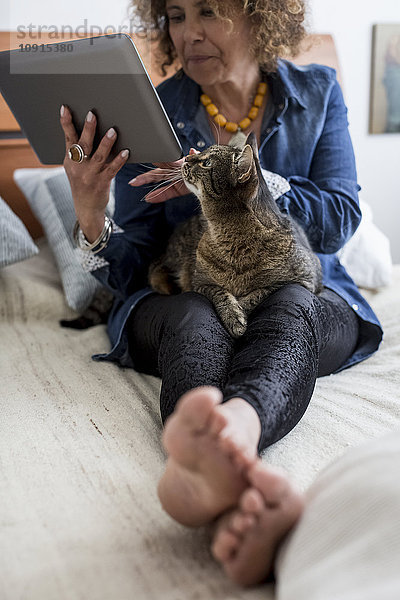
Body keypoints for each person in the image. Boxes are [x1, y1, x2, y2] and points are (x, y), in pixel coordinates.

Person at [60, 0, 383, 586]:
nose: (188, 33)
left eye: (208, 11)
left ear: (262, 14)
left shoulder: (318, 92)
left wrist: (251, 181)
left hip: (303, 292)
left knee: (291, 303)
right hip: (190, 300)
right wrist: (90, 215)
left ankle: (229, 437)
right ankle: (216, 460)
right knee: (197, 312)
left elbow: (339, 216)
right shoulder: (156, 110)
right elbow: (137, 262)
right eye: (176, 16)